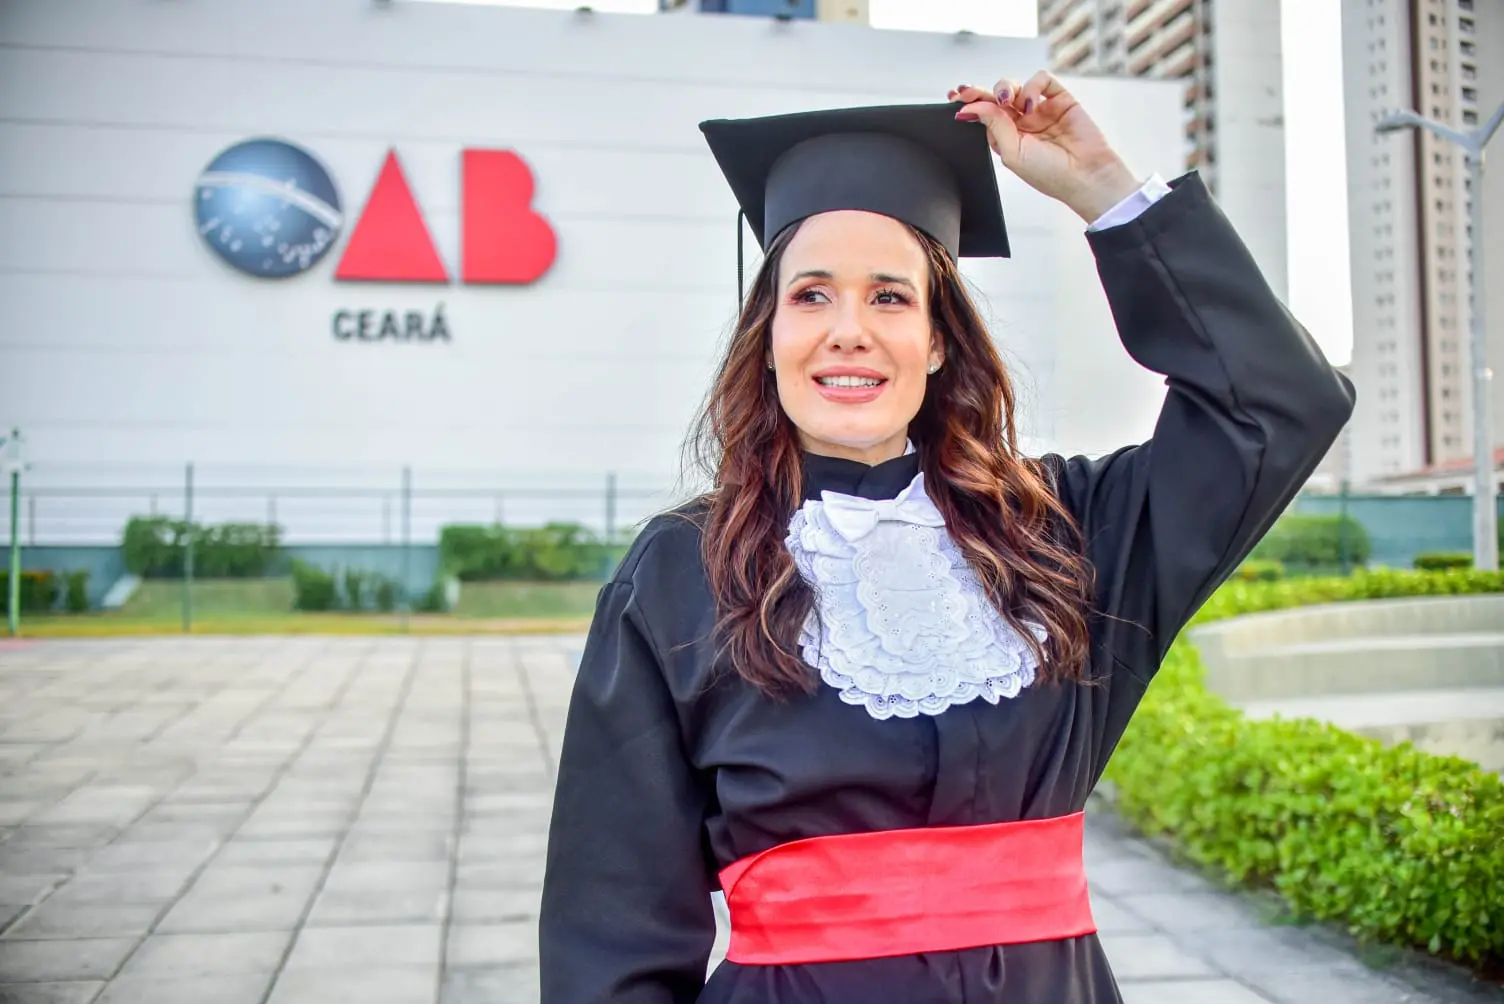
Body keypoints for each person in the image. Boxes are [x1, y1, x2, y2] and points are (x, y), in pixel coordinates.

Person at [539, 71, 1354, 1004]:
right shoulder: (680, 574)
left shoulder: (1065, 536)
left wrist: (1104, 192)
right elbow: (611, 934)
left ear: (937, 340)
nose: (849, 332)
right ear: (767, 334)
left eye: (890, 297)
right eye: (810, 297)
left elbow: (1279, 406)